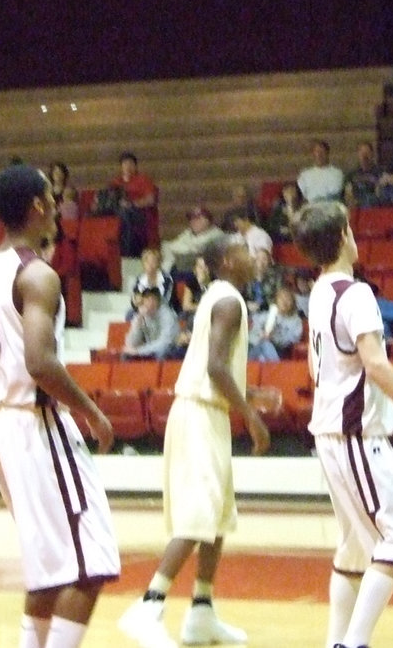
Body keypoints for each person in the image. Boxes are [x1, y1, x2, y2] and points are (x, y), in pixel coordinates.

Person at [0, 164, 120, 648]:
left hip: (4, 427)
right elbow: (41, 362)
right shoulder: (38, 274)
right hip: (38, 424)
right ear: (40, 206)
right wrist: (92, 411)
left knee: (49, 567)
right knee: (91, 563)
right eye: (51, 196)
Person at [294, 200, 393, 648]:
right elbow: (375, 364)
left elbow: (319, 365)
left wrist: (381, 384)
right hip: (354, 436)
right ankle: (353, 644)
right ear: (345, 234)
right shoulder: (356, 293)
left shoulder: (320, 290)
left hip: (330, 432)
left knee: (355, 548)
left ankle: (336, 643)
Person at [118, 235, 269, 648]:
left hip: (205, 410)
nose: (252, 255)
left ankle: (201, 611)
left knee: (217, 516)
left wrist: (250, 396)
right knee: (198, 512)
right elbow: (215, 367)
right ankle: (149, 605)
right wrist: (252, 417)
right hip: (200, 413)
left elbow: (215, 369)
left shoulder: (219, 297)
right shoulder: (227, 302)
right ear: (225, 260)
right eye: (242, 250)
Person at [111, 151, 158, 258]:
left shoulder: (143, 180)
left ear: (135, 166)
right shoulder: (115, 182)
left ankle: (126, 253)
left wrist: (132, 204)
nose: (128, 167)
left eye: (130, 164)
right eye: (125, 164)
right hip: (118, 212)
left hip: (139, 214)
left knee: (124, 213)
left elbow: (150, 200)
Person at [161, 206, 222, 277]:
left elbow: (198, 249)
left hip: (203, 273)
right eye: (191, 219)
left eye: (198, 219)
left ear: (207, 221)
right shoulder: (187, 233)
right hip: (180, 269)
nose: (194, 222)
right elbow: (170, 246)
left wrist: (181, 249)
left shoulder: (216, 234)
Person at [248, 285, 304, 362]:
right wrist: (261, 333)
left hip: (280, 351)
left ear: (293, 302)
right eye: (281, 298)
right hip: (259, 349)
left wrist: (274, 338)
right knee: (261, 344)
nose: (284, 302)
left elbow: (292, 340)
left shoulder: (296, 321)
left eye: (288, 299)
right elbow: (254, 322)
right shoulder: (270, 314)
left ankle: (278, 368)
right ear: (277, 300)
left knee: (266, 347)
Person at [123, 287, 181, 360]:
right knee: (126, 355)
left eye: (150, 299)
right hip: (150, 350)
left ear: (155, 300)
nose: (147, 302)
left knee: (162, 353)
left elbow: (165, 343)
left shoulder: (167, 315)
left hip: (170, 349)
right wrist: (137, 323)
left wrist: (139, 351)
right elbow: (130, 344)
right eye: (145, 299)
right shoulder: (142, 315)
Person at [127, 247, 174, 317]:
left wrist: (147, 302)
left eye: (153, 261)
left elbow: (166, 299)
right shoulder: (140, 279)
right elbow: (135, 298)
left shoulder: (167, 279)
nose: (150, 264)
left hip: (163, 309)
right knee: (130, 314)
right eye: (147, 261)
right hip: (144, 308)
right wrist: (136, 301)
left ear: (158, 263)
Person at [344, 142, 383, 209]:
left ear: (372, 154)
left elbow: (380, 193)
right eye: (362, 153)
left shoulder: (379, 173)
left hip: (373, 208)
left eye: (367, 153)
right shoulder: (351, 174)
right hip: (356, 208)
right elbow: (348, 194)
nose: (364, 156)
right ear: (358, 154)